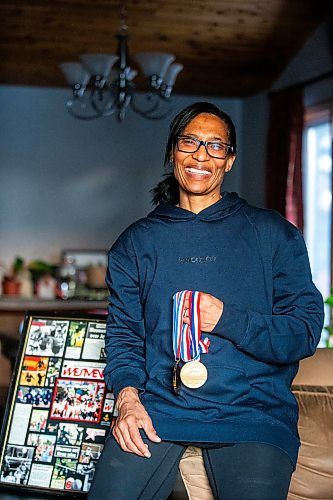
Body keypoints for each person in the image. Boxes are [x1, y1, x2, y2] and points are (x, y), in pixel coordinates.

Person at [88, 102, 324, 500]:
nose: (201, 155)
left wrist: (227, 319)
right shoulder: (136, 243)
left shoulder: (274, 235)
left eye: (216, 146)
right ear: (172, 152)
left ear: (229, 161)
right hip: (159, 409)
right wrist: (128, 398)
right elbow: (124, 337)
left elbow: (302, 333)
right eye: (190, 142)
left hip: (253, 413)